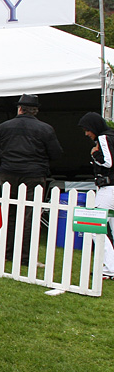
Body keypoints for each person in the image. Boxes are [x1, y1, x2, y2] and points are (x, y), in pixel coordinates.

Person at [0, 94, 63, 263]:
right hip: (33, 174)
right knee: (29, 215)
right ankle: (25, 256)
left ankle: (7, 253)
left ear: (20, 109)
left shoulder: (4, 127)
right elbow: (56, 153)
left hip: (9, 172)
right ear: (35, 110)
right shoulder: (45, 129)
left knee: (9, 213)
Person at [78, 112, 114, 280]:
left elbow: (108, 162)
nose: (86, 134)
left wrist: (94, 154)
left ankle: (110, 267)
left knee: (94, 227)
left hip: (108, 189)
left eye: (87, 130)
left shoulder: (104, 138)